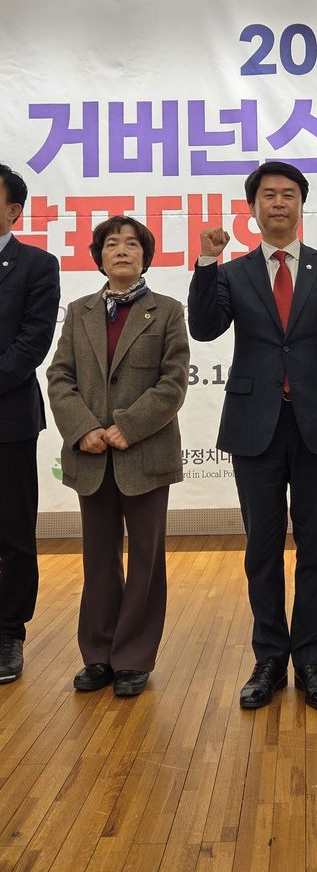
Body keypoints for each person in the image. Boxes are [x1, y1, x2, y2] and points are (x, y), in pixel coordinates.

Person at [188, 162, 317, 711]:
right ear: (254, 208)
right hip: (254, 426)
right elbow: (203, 328)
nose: (279, 203)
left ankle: (310, 659)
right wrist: (206, 262)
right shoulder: (233, 272)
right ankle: (268, 658)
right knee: (261, 550)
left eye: (289, 194)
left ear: (301, 205)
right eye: (269, 195)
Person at [47, 216, 189, 697]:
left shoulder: (166, 310)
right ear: (99, 256)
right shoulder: (79, 310)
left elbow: (173, 382)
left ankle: (133, 658)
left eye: (132, 244)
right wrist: (83, 428)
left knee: (146, 558)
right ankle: (98, 654)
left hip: (145, 453)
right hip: (90, 456)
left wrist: (128, 427)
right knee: (98, 557)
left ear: (146, 256)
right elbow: (60, 376)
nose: (122, 250)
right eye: (112, 244)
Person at [0, 163, 60, 684]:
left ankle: (8, 632)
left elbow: (32, 342)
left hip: (9, 418)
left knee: (13, 530)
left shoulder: (36, 265)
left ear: (13, 211)